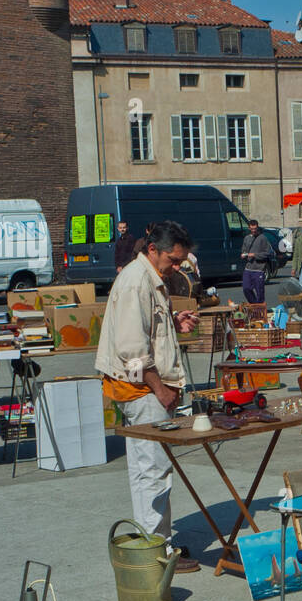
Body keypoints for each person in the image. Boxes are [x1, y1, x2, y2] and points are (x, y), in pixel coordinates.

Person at [95, 220, 201, 574]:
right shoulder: (136, 282)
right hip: (141, 389)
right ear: (152, 250)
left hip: (145, 387)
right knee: (151, 469)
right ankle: (158, 549)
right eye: (173, 260)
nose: (176, 267)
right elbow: (132, 352)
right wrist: (161, 389)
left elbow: (144, 328)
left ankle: (156, 542)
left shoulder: (150, 280)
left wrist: (172, 320)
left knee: (150, 467)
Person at [240, 219, 273, 304]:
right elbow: (244, 250)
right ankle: (254, 305)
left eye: (255, 229)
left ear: (257, 228)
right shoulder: (247, 238)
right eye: (252, 229)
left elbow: (268, 253)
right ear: (249, 228)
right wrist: (243, 255)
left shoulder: (263, 238)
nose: (254, 231)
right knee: (246, 288)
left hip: (259, 269)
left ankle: (260, 307)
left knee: (260, 291)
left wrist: (255, 255)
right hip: (248, 268)